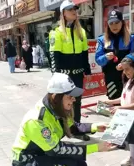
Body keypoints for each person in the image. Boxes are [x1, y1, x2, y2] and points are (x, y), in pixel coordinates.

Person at [11, 73, 115, 166]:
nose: (74, 99)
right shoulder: (37, 120)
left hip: (42, 152)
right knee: (67, 165)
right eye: (70, 96)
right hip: (26, 162)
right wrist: (96, 147)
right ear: (56, 97)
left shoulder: (56, 108)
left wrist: (95, 126)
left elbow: (73, 128)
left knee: (80, 165)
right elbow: (56, 149)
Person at [49, 0, 92, 140]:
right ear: (63, 13)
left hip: (78, 74)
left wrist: (88, 71)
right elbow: (54, 56)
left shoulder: (82, 32)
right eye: (70, 9)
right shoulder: (56, 33)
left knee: (77, 102)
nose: (74, 11)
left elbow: (85, 54)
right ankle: (64, 128)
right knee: (63, 104)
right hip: (64, 76)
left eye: (75, 8)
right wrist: (56, 75)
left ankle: (76, 128)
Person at [104, 53, 134, 166]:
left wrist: (119, 108)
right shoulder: (129, 80)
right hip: (128, 117)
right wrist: (110, 102)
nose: (125, 72)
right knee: (132, 141)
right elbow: (124, 98)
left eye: (128, 69)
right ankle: (132, 158)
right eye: (124, 70)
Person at [95, 9, 134, 101]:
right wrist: (105, 57)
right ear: (107, 25)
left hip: (129, 76)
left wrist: (126, 62)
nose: (114, 26)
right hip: (111, 78)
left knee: (129, 103)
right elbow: (98, 59)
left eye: (117, 22)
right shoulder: (102, 39)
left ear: (122, 23)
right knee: (114, 105)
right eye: (111, 23)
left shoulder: (132, 37)